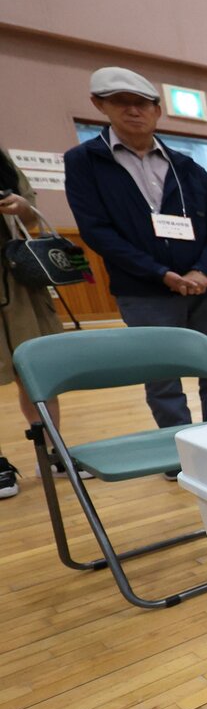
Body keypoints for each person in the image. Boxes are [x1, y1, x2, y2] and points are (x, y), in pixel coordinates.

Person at [64, 67, 207, 443]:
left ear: (157, 110)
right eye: (121, 102)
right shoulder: (85, 162)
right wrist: (159, 272)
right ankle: (177, 450)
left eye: (142, 103)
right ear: (99, 105)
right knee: (162, 378)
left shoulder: (187, 166)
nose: (133, 111)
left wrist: (204, 271)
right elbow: (97, 231)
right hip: (144, 288)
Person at [2, 145, 78, 495]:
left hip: (19, 279)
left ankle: (52, 450)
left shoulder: (2, 158)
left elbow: (31, 215)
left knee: (34, 371)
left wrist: (22, 208)